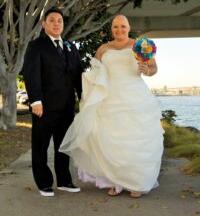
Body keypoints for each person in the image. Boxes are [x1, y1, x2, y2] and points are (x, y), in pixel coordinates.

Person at [60, 14, 164, 198]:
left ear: (129, 27)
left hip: (134, 97)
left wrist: (147, 70)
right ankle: (116, 182)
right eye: (116, 27)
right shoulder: (103, 48)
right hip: (109, 97)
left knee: (133, 139)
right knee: (111, 141)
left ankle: (135, 182)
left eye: (123, 26)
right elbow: (96, 72)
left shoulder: (139, 45)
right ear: (111, 29)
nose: (119, 30)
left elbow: (153, 68)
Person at [23, 7, 83, 197]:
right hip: (44, 106)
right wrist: (36, 101)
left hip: (66, 106)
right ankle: (44, 183)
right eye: (52, 20)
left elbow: (78, 75)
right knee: (40, 145)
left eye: (60, 21)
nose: (57, 24)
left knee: (63, 145)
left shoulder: (70, 46)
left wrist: (83, 97)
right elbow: (31, 75)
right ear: (44, 24)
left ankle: (64, 180)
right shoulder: (36, 46)